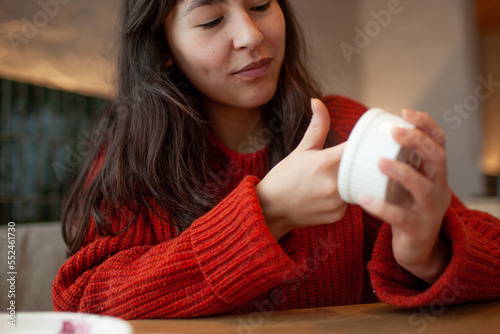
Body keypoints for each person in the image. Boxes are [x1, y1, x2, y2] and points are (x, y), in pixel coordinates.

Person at [52, 0, 500, 319]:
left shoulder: (342, 128)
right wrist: (266, 214)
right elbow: (79, 301)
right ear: (164, 49)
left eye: (261, 4)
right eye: (210, 20)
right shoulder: (131, 155)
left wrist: (429, 250)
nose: (251, 35)